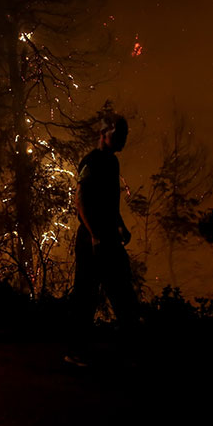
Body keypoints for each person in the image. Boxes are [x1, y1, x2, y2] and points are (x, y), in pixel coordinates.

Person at [65, 113, 139, 367]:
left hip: (107, 238)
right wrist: (94, 233)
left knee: (122, 292)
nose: (123, 140)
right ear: (104, 134)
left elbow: (109, 201)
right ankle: (75, 351)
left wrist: (120, 226)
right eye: (119, 135)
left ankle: (130, 348)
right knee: (87, 295)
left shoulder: (112, 163)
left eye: (125, 136)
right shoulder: (93, 161)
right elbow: (81, 199)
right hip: (92, 241)